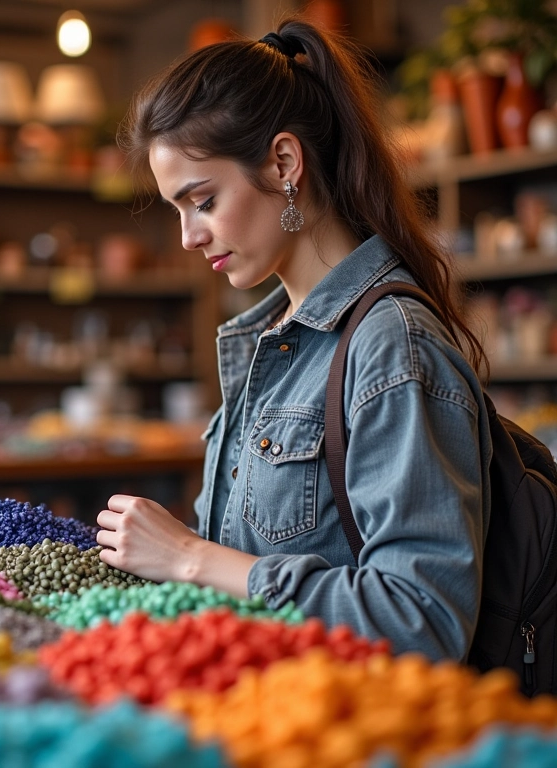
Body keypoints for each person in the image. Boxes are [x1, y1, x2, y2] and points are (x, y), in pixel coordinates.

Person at [95, 15, 492, 662]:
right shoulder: (271, 339)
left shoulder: (392, 346)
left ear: (283, 162)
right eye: (176, 210)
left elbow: (424, 621)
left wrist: (193, 558)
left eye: (202, 201)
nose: (188, 237)